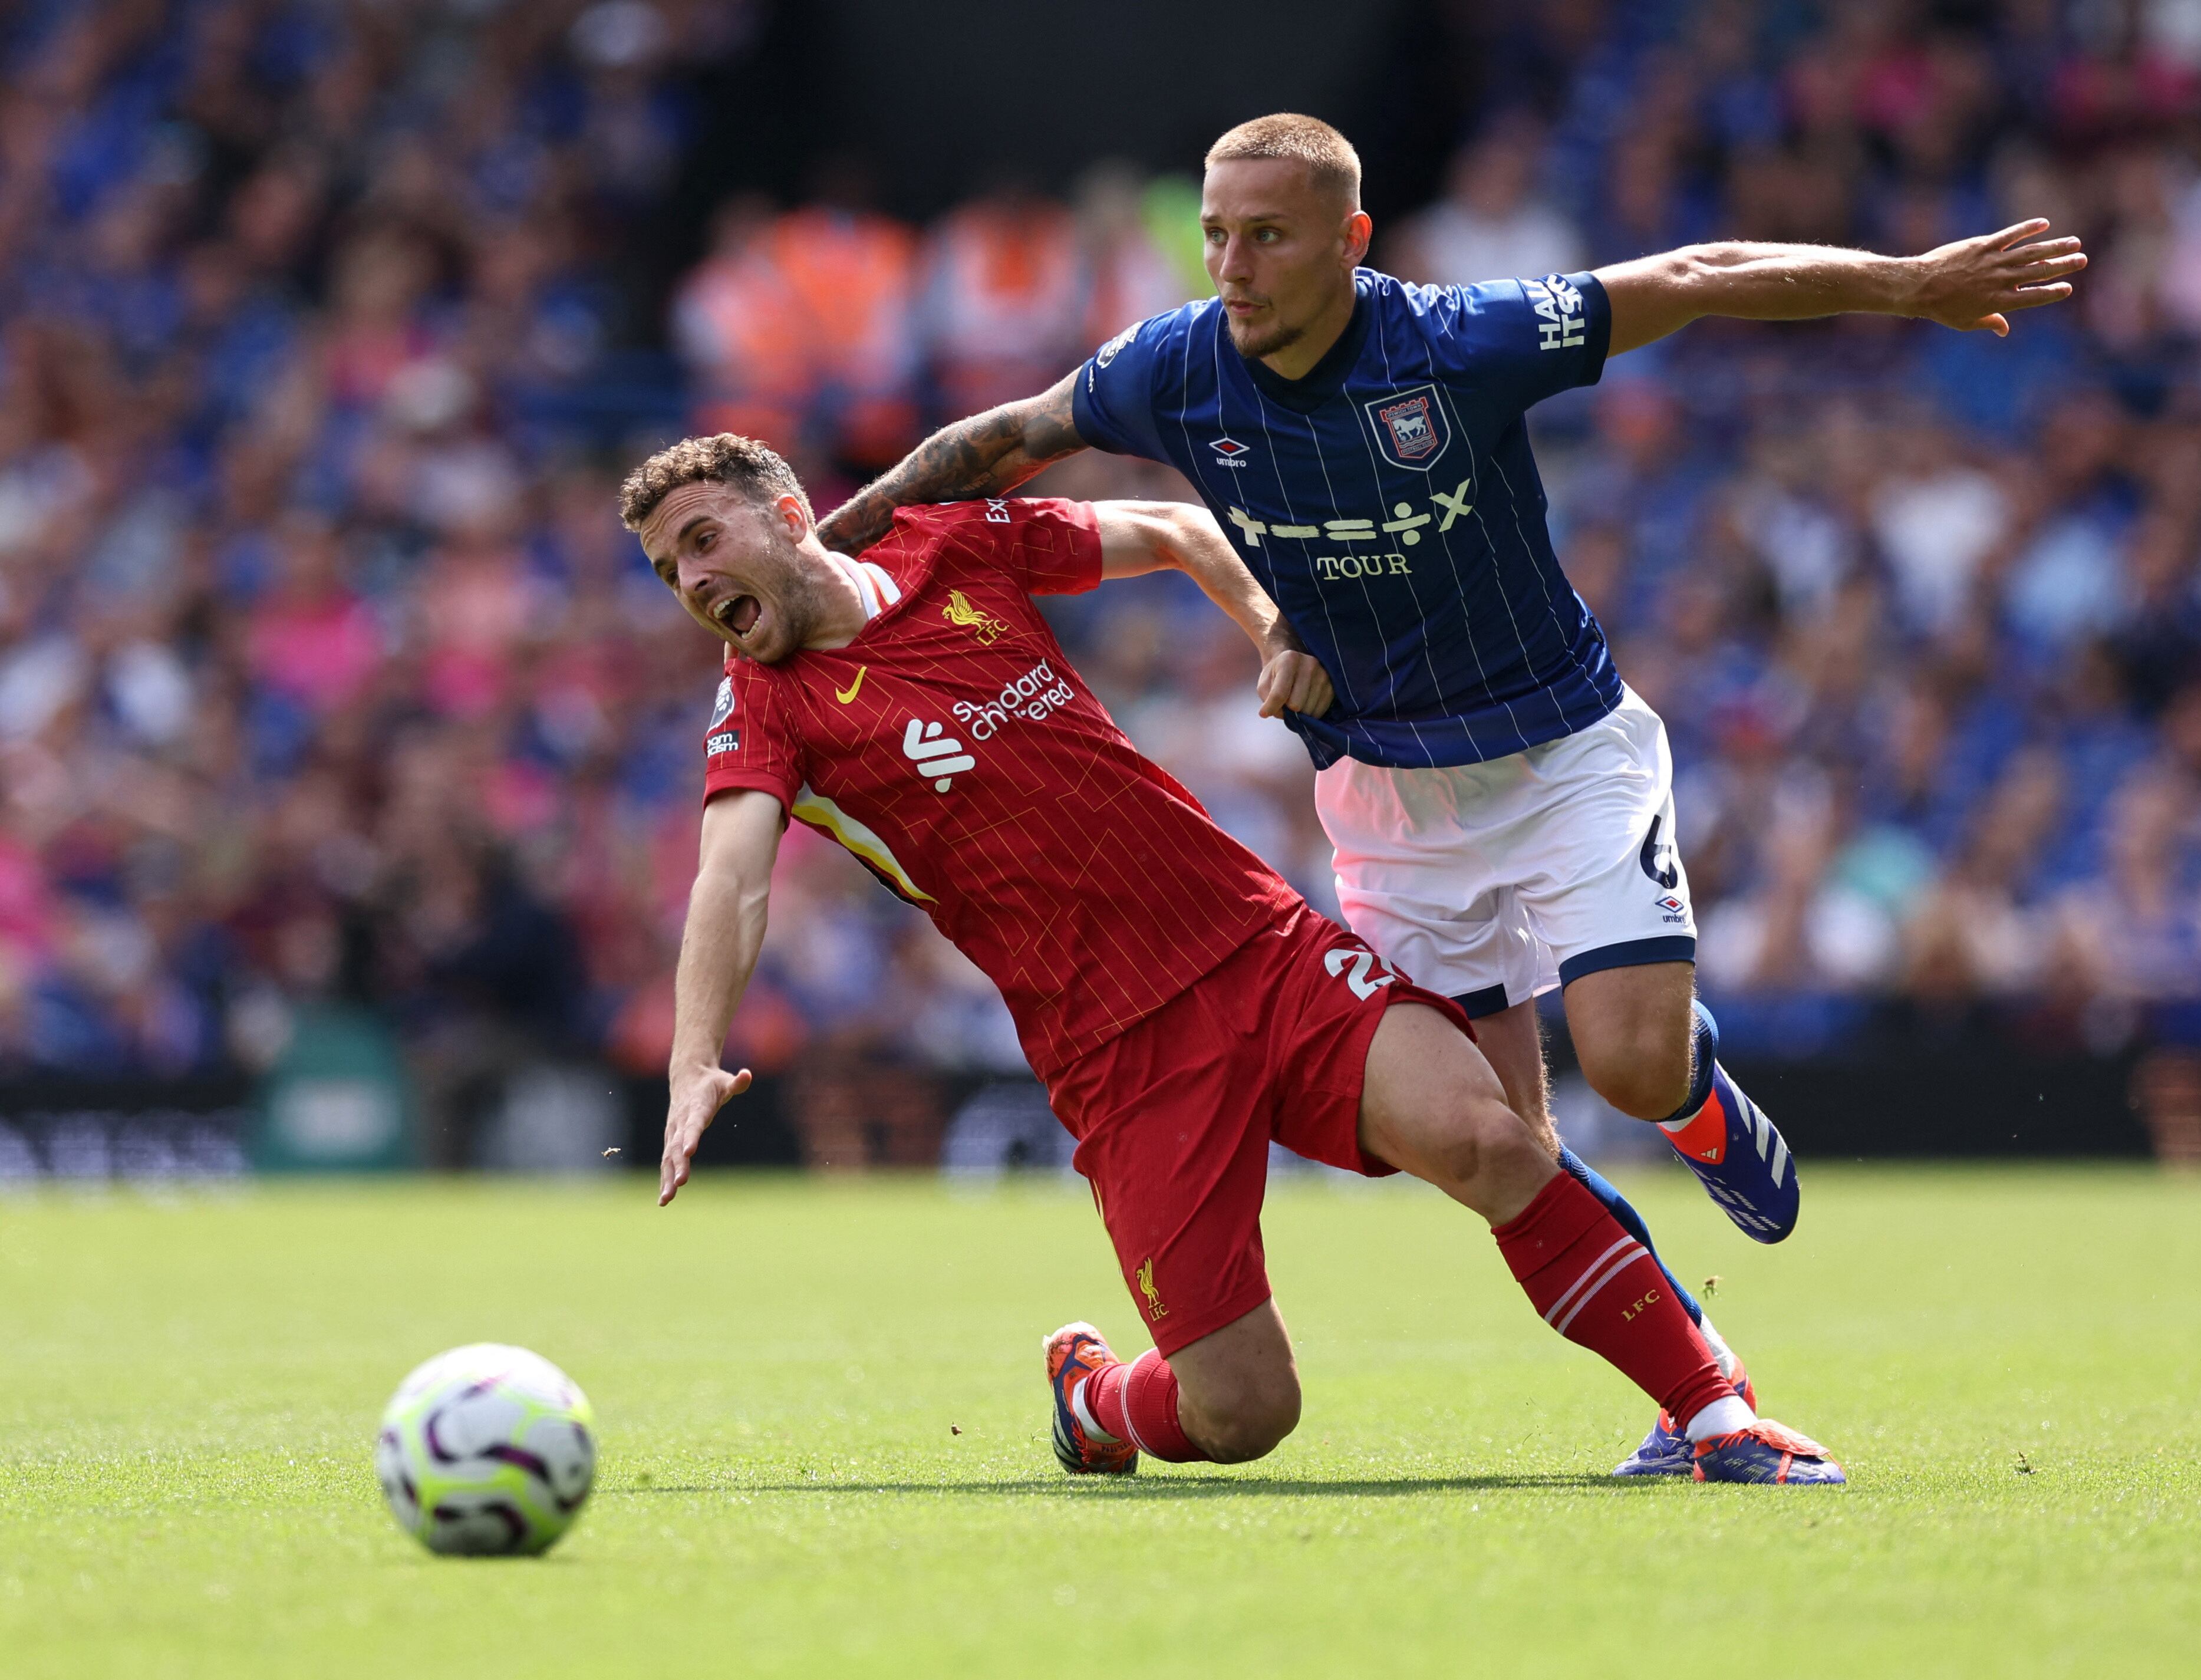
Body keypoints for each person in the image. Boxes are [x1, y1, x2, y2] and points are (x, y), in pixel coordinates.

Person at [815, 112, 2080, 1474]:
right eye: (1217, 235)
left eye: (1269, 237)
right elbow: (997, 443)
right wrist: (822, 544)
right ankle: (1695, 1407)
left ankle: (1699, 1099)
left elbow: (1695, 276)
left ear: (1349, 244)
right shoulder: (1173, 367)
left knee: (1635, 1066)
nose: (1232, 267)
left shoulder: (1454, 340)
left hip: (1561, 753)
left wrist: (1905, 283)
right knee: (1510, 1155)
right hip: (1389, 807)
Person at [623, 431, 1843, 1485]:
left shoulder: (948, 545)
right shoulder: (766, 708)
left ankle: (1712, 1414)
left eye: (701, 538)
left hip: (1260, 945)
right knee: (1245, 1413)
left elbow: (1171, 524)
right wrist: (692, 1061)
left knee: (1490, 1140)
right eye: (670, 568)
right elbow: (730, 882)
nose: (691, 578)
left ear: (786, 513)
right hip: (1115, 1052)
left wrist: (1270, 630)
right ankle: (1097, 1397)